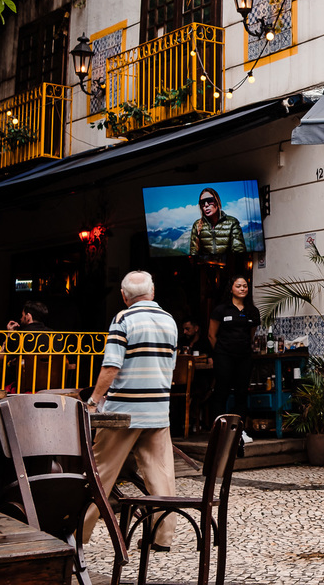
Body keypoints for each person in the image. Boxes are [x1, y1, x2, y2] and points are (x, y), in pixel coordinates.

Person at [82, 271, 178, 548]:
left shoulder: (123, 319)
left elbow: (111, 366)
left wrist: (93, 401)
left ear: (124, 296)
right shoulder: (169, 320)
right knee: (161, 474)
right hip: (158, 409)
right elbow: (170, 365)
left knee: (100, 472)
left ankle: (77, 532)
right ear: (153, 291)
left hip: (123, 413)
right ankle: (162, 537)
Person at [209, 276, 259, 444]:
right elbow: (211, 335)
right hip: (224, 356)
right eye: (238, 286)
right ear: (231, 288)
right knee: (221, 391)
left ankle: (239, 431)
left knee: (241, 393)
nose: (242, 289)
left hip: (244, 357)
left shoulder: (252, 311)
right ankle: (218, 431)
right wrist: (221, 352)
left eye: (245, 286)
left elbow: (251, 334)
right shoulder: (221, 309)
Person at [189, 187, 246, 255]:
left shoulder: (232, 223)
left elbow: (239, 250)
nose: (206, 205)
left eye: (210, 200)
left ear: (217, 201)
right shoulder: (197, 225)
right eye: (202, 202)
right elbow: (193, 253)